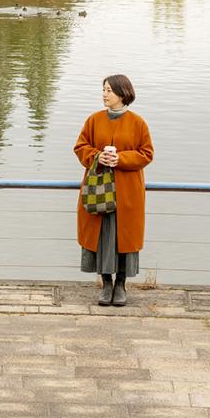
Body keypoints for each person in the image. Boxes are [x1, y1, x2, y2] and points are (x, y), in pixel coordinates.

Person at [73, 74, 153, 307]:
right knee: (103, 235)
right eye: (103, 90)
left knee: (123, 237)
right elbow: (80, 147)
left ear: (122, 93)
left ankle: (121, 285)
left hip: (127, 192)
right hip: (98, 190)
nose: (104, 94)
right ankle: (106, 284)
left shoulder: (138, 123)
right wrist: (98, 156)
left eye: (109, 90)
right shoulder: (94, 120)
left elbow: (146, 153)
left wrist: (120, 158)